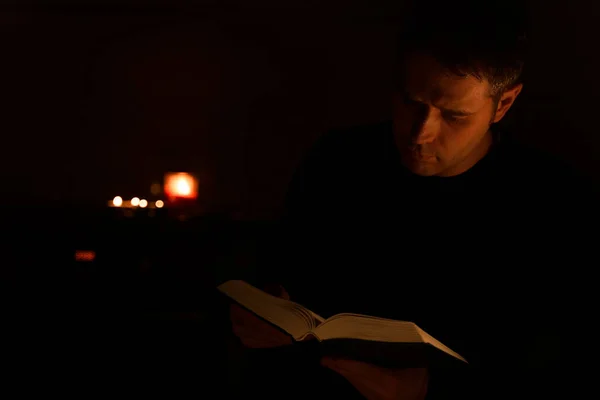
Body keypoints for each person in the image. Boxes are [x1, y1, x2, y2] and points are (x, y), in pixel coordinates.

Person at [226, 1, 598, 399]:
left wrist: (429, 391)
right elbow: (275, 272)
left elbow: (564, 360)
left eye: (454, 116)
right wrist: (252, 315)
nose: (420, 133)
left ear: (503, 104)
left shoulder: (555, 201)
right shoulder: (337, 161)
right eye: (410, 103)